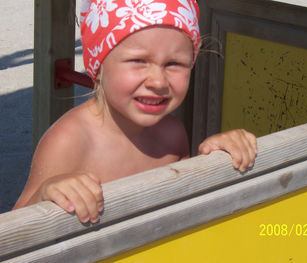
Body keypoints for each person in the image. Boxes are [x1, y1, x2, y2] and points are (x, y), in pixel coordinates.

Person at [13, 0, 257, 224]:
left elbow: (182, 203)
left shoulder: (172, 134)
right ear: (98, 67)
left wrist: (215, 158)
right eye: (138, 61)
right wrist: (47, 193)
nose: (158, 81)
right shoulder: (70, 141)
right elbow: (15, 231)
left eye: (174, 64)